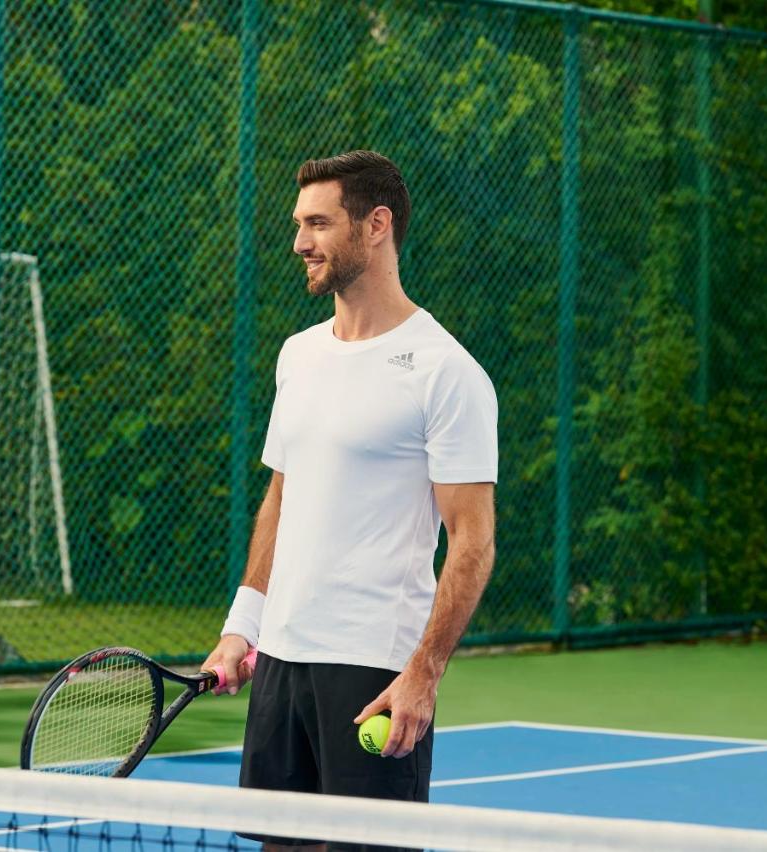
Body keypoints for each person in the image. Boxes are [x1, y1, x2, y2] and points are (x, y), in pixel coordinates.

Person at [203, 150, 498, 851]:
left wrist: (423, 674)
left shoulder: (445, 372)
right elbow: (283, 493)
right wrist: (245, 626)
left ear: (376, 225)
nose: (300, 242)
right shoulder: (298, 355)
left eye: (318, 223)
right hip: (281, 661)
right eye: (299, 224)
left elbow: (473, 540)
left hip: (373, 670)